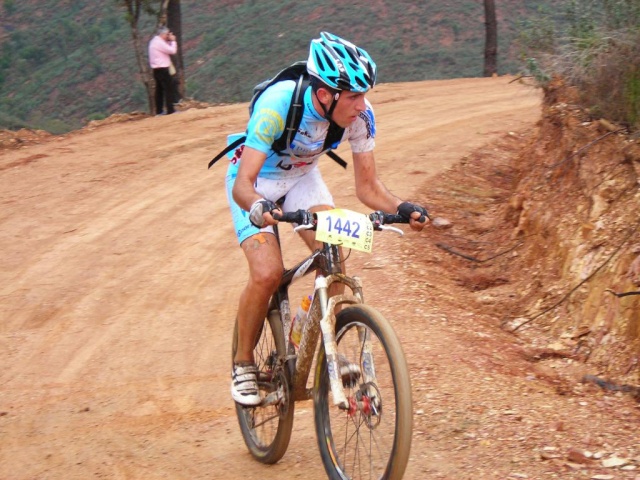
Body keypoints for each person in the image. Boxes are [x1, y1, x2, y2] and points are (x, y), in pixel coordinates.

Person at [225, 32, 429, 406]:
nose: (362, 105)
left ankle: (319, 346)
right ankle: (242, 363)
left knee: (334, 257)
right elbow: (243, 185)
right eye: (353, 96)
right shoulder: (276, 106)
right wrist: (258, 207)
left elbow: (368, 187)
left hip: (302, 180)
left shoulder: (360, 116)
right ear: (324, 94)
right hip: (257, 185)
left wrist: (402, 206)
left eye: (364, 94)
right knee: (268, 273)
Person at [148, 26, 177, 115]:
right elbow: (172, 51)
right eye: (167, 34)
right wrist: (173, 41)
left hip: (156, 69)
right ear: (163, 34)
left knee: (159, 90)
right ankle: (170, 110)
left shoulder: (154, 41)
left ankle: (159, 111)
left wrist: (168, 41)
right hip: (162, 69)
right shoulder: (159, 43)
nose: (168, 35)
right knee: (168, 89)